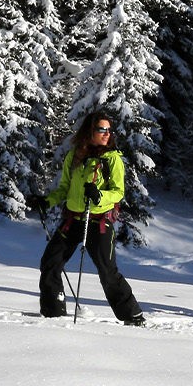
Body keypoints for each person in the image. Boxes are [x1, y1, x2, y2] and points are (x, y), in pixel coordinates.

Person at [38, 113, 146, 326]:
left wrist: (99, 195)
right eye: (101, 130)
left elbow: (118, 192)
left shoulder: (112, 158)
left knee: (107, 272)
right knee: (50, 262)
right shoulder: (74, 156)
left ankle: (132, 316)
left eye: (108, 130)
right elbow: (65, 189)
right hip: (73, 220)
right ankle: (53, 313)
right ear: (90, 131)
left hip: (99, 222)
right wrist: (47, 201)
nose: (107, 134)